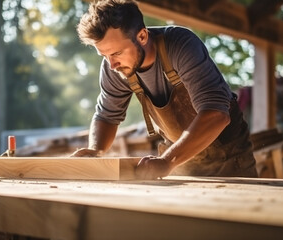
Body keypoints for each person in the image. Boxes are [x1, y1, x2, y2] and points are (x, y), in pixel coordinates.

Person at [71, 0, 258, 180]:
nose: (111, 65)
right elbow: (106, 117)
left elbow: (216, 113)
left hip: (228, 157)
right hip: (178, 160)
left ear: (142, 36)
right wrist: (95, 150)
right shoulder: (114, 67)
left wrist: (167, 161)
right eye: (104, 55)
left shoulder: (181, 45)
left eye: (116, 53)